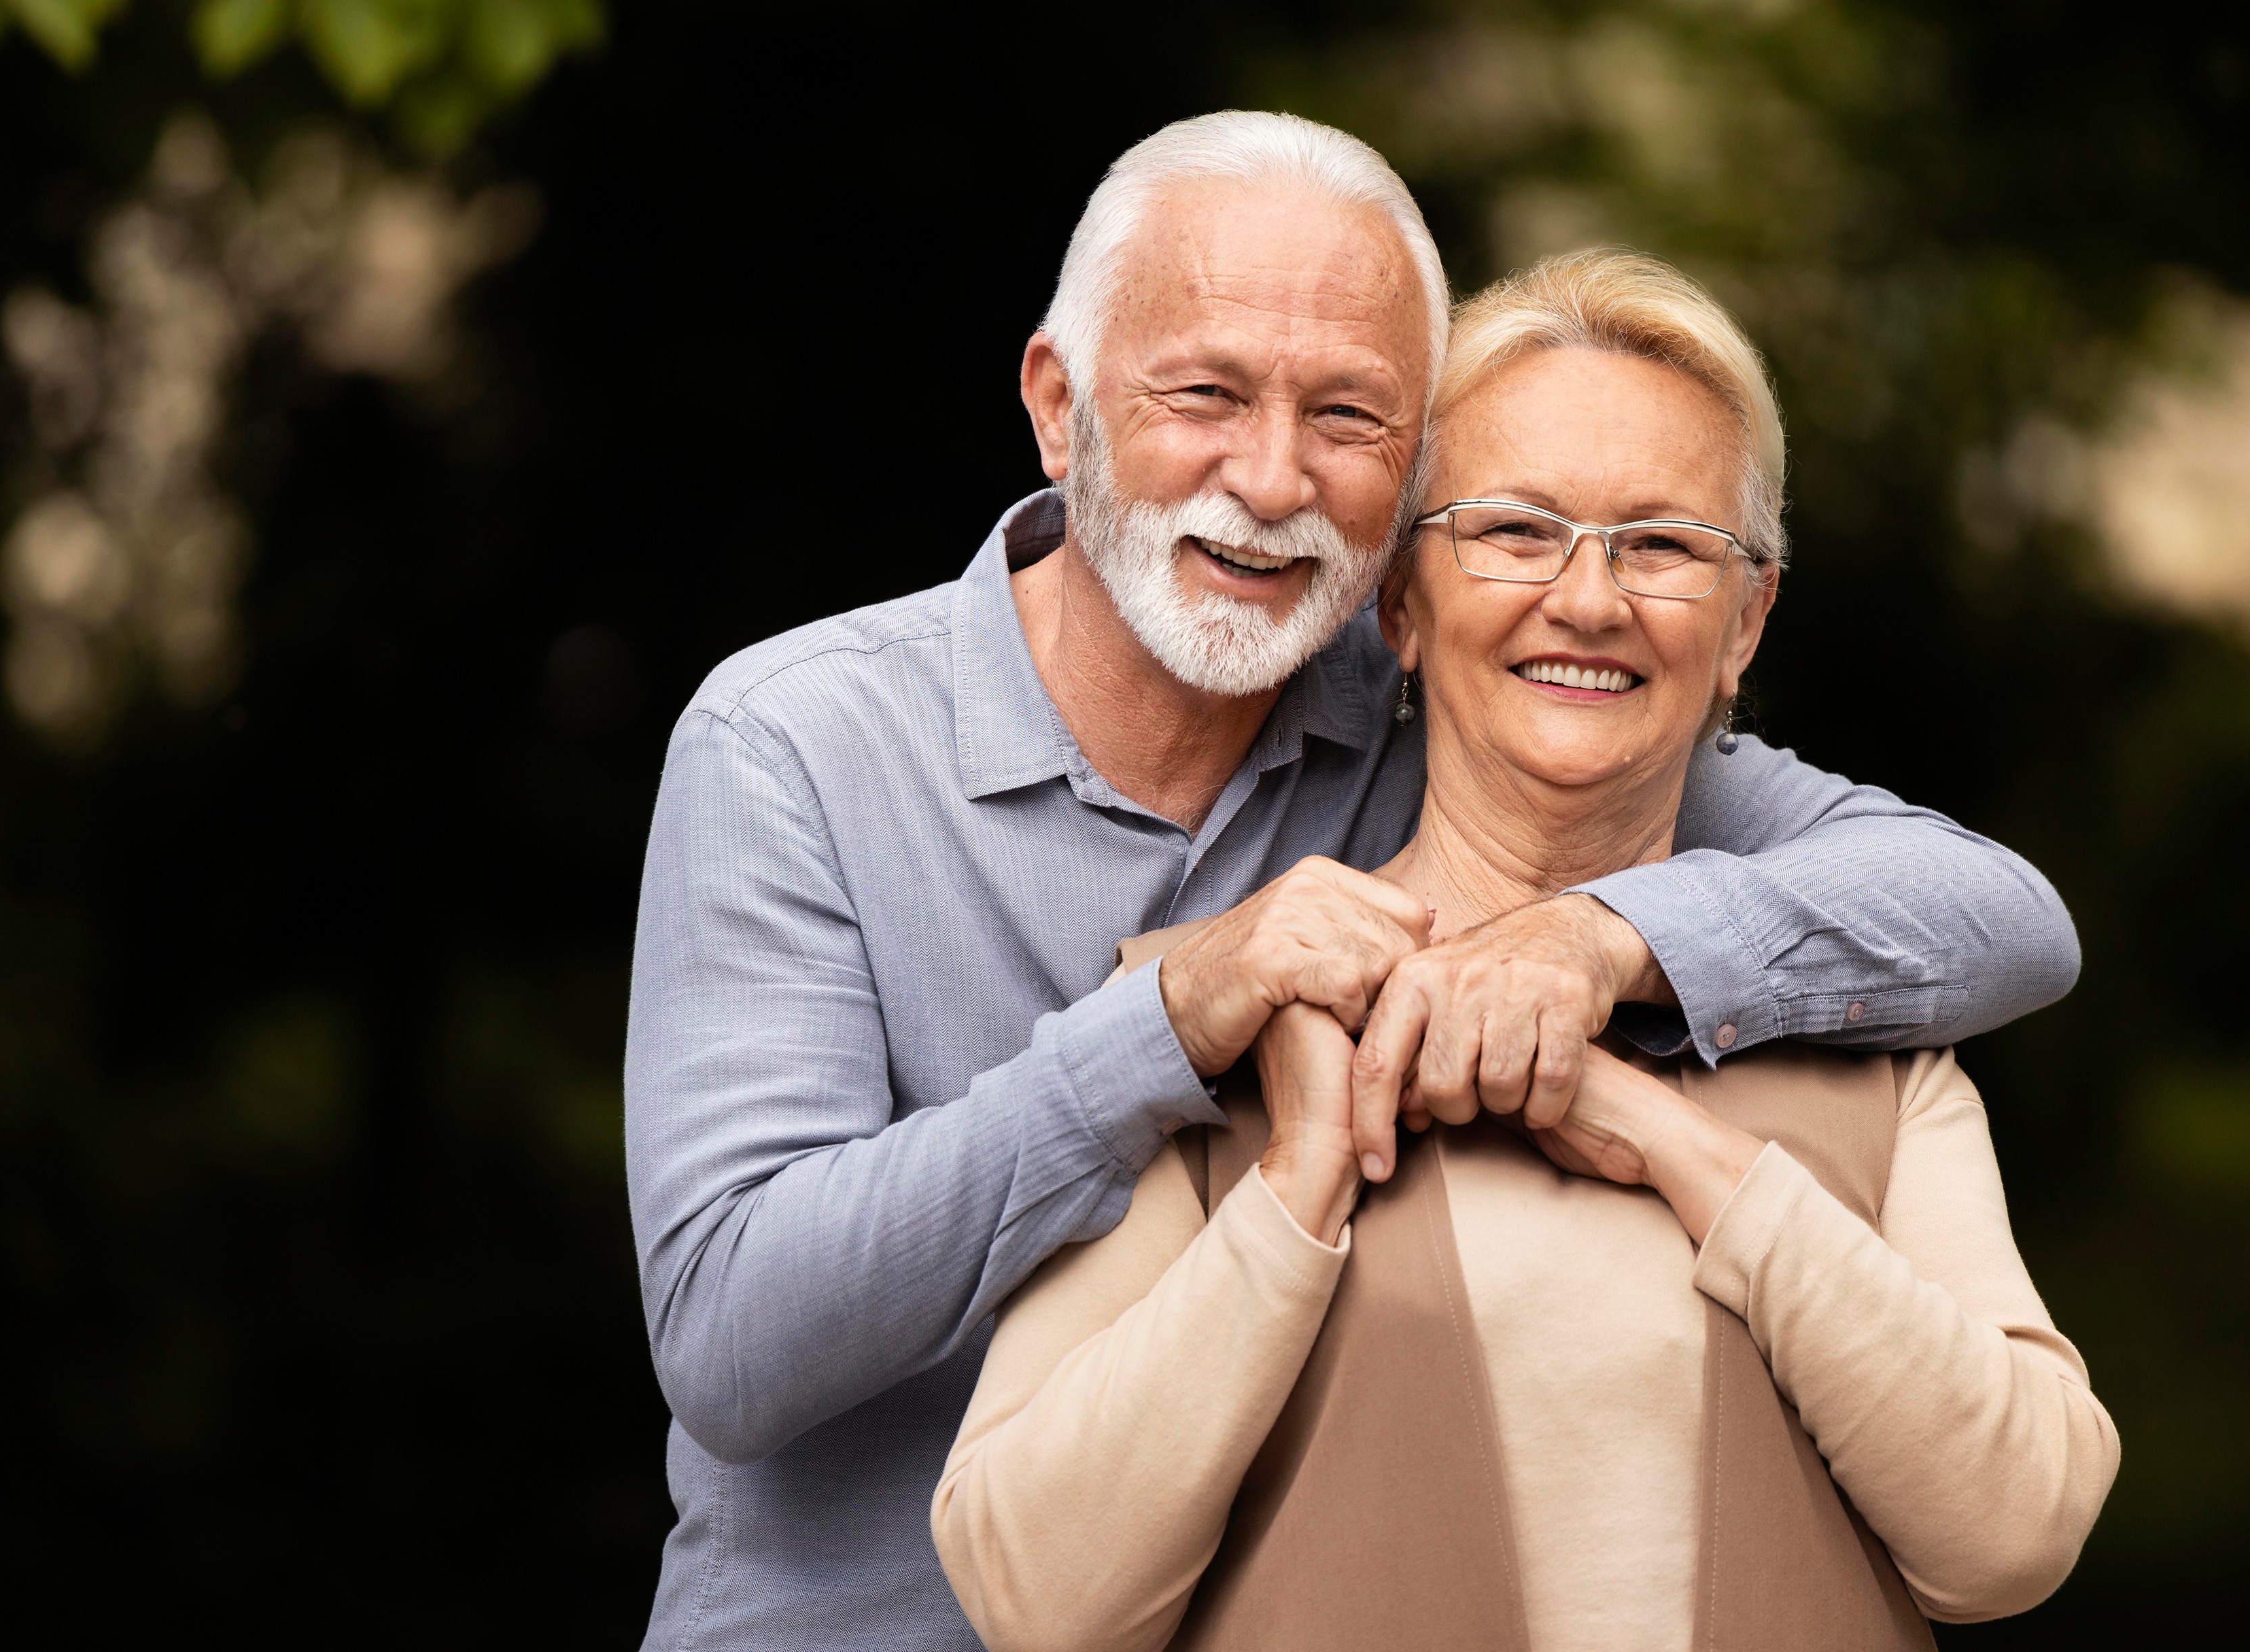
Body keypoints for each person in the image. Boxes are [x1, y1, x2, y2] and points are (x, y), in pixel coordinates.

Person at [627, 113, 2081, 1650]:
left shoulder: (1450, 702)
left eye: (1350, 416)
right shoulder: (794, 741)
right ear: (1060, 409)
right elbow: (731, 1340)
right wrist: (1167, 1025)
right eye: (1204, 393)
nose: (1269, 480)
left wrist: (1601, 942)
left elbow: (1995, 915)